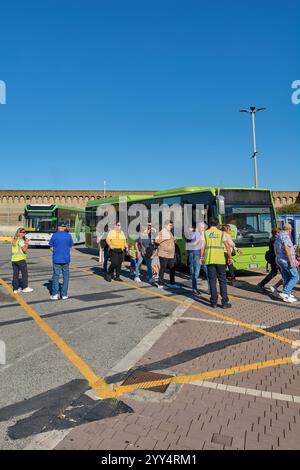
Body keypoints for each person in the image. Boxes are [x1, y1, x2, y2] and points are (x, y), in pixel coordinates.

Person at [200, 218, 233, 308]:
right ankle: (224, 302)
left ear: (209, 224)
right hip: (220, 260)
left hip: (210, 260)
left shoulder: (205, 233)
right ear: (217, 224)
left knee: (212, 281)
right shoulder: (222, 233)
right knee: (222, 281)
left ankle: (214, 302)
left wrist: (201, 257)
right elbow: (227, 246)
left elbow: (202, 246)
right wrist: (230, 258)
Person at [274, 223, 299, 303]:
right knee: (295, 277)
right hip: (286, 260)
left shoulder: (278, 236)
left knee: (287, 277)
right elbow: (286, 248)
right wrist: (291, 261)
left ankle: (287, 296)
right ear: (290, 230)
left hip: (280, 259)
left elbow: (276, 249)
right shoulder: (285, 236)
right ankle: (285, 293)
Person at [49, 222, 74, 300]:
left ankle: (55, 294)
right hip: (66, 258)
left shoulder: (55, 235)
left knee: (56, 276)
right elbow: (70, 246)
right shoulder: (68, 235)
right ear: (64, 227)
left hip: (56, 258)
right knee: (65, 276)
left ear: (58, 227)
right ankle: (64, 294)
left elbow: (50, 246)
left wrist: (56, 251)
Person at [155, 220, 180, 289]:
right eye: (170, 225)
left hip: (171, 254)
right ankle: (160, 284)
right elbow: (156, 241)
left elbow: (171, 239)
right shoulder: (163, 232)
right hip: (164, 254)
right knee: (163, 268)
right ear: (166, 225)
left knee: (172, 268)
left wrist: (174, 240)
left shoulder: (169, 232)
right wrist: (163, 247)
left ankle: (172, 283)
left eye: (172, 225)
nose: (171, 227)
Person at [11, 227, 33, 293]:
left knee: (15, 274)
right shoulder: (20, 241)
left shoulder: (14, 240)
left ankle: (15, 289)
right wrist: (27, 243)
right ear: (19, 233)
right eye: (23, 232)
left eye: (25, 232)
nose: (24, 233)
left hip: (14, 259)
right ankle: (25, 287)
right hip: (21, 259)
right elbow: (24, 249)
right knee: (24, 274)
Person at [189, 223, 207, 294]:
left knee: (208, 273)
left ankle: (211, 290)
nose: (202, 229)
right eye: (201, 227)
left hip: (205, 255)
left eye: (203, 227)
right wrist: (199, 239)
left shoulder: (206, 234)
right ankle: (194, 289)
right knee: (196, 272)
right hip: (197, 255)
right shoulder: (195, 234)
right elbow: (192, 244)